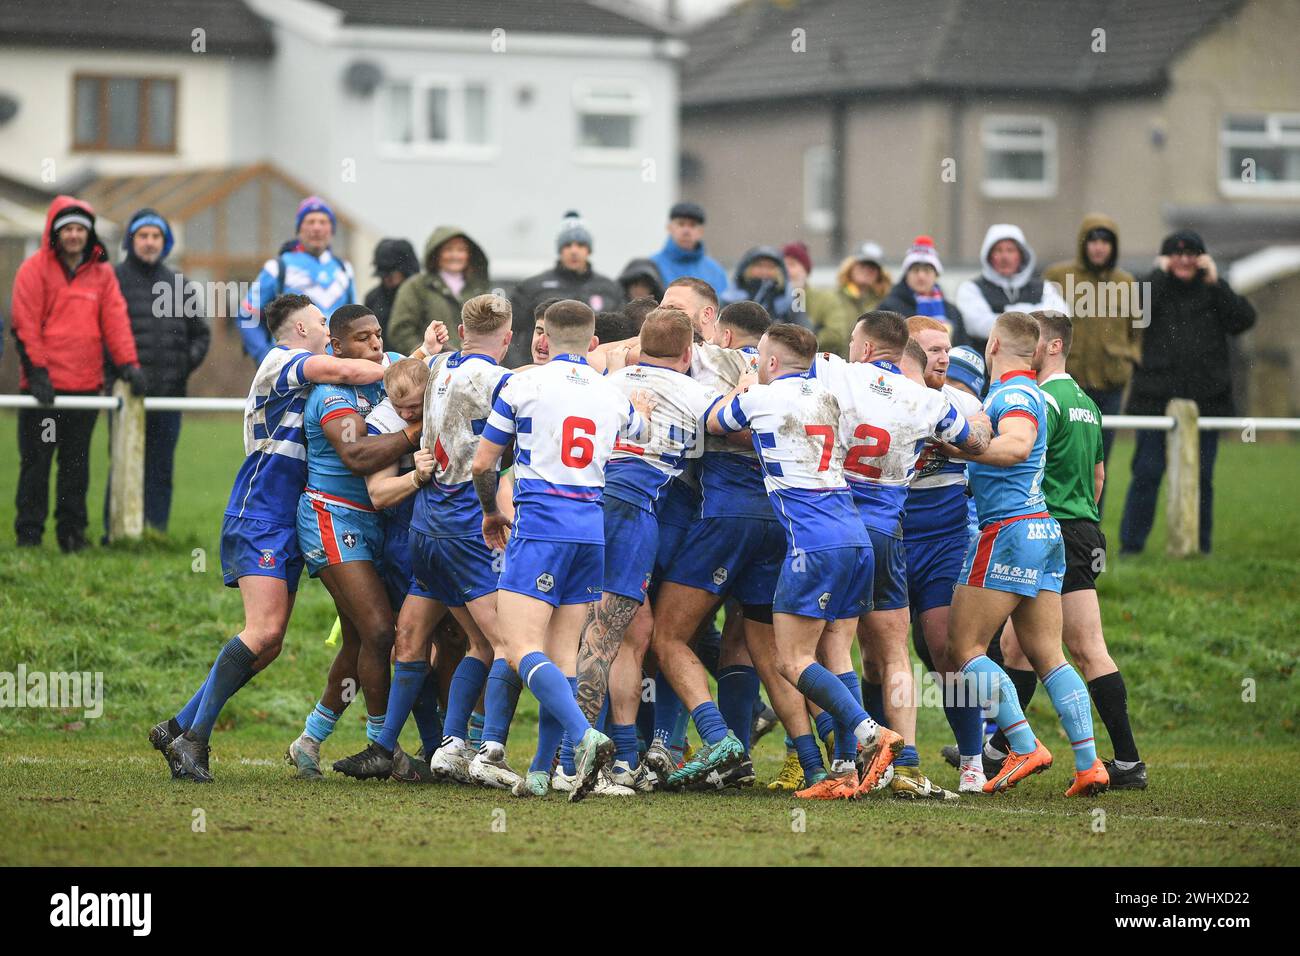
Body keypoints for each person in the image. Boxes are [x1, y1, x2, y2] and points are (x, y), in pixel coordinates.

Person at [150, 294, 414, 782]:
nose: (324, 327)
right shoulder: (282, 360)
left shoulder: (311, 371)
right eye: (319, 322)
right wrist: (405, 367)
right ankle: (194, 741)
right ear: (300, 330)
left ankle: (179, 727)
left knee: (272, 643)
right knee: (266, 631)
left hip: (290, 515)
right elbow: (355, 373)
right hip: (261, 512)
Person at [707, 322, 904, 800]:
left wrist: (743, 382)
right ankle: (844, 772)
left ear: (770, 363)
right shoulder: (829, 397)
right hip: (855, 536)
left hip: (813, 542)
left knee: (792, 661)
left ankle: (870, 733)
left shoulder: (762, 396)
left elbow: (714, 422)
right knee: (834, 655)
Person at [470, 299, 652, 802]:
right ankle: (539, 770)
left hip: (541, 527)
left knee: (522, 647)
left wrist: (491, 512)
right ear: (593, 344)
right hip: (589, 529)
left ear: (543, 338)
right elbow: (641, 429)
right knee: (563, 656)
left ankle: (583, 736)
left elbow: (484, 465)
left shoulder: (521, 384)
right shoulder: (611, 393)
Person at [805, 312, 990, 800]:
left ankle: (948, 758)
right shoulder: (929, 402)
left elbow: (981, 440)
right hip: (890, 533)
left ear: (865, 347)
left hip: (922, 537)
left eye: (947, 349)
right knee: (877, 655)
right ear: (905, 350)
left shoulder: (950, 398)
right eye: (931, 349)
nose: (943, 357)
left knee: (932, 648)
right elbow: (977, 440)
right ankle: (882, 758)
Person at [938, 311, 1108, 798]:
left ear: (993, 344)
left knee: (964, 648)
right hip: (1043, 532)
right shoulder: (1030, 393)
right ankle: (1089, 763)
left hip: (1009, 531)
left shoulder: (1013, 395)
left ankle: (1023, 743)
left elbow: (1015, 446)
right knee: (1047, 653)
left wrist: (959, 449)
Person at [573, 307, 725, 793]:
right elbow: (736, 425)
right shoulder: (700, 393)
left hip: (582, 501)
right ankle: (573, 758)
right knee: (605, 633)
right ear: (687, 354)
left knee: (629, 633)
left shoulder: (606, 383)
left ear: (637, 345)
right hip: (631, 511)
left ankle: (622, 760)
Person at [995, 311, 1145, 789]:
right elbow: (1099, 475)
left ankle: (1125, 760)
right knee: (1018, 645)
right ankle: (1002, 748)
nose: (1026, 350)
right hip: (1083, 527)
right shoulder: (1087, 402)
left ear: (1054, 346)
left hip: (1050, 528)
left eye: (1034, 342)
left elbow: (1024, 463)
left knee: (1080, 647)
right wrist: (1084, 524)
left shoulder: (1041, 399)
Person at [284, 305, 419, 779]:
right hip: (331, 517)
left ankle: (310, 739)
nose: (376, 344)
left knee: (363, 636)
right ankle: (384, 745)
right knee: (381, 632)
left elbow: (428, 376)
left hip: (375, 524)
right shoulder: (330, 394)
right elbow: (358, 455)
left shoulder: (388, 371)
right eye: (363, 338)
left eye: (378, 334)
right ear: (336, 348)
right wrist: (416, 433)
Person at [11, 195, 144, 552]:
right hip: (43, 391)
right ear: (55, 234)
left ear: (89, 235)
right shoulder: (33, 270)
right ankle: (29, 534)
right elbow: (25, 324)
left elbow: (115, 322)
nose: (73, 236)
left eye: (79, 229)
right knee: (36, 464)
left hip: (85, 389)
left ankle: (72, 534)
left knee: (75, 467)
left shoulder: (102, 275)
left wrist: (129, 364)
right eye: (66, 229)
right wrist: (37, 371)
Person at [1119, 230, 1255, 555]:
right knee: (1147, 473)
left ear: (1202, 259)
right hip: (1154, 400)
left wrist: (1216, 281)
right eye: (1176, 253)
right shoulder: (1153, 289)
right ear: (1165, 258)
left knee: (1202, 477)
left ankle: (1200, 546)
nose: (1184, 259)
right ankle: (1131, 547)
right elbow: (1134, 315)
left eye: (1192, 253)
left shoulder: (1214, 294)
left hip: (1206, 401)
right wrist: (1157, 275)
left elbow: (1244, 319)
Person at [104, 208, 210, 535]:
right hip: (126, 394)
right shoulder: (113, 280)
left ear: (164, 242)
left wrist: (181, 368)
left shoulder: (179, 283)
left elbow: (201, 335)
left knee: (161, 468)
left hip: (169, 395)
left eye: (156, 236)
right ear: (131, 240)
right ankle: (116, 532)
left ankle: (155, 532)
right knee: (123, 464)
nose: (149, 242)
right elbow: (102, 334)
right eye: (143, 236)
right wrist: (121, 372)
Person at [1042, 215, 1140, 490]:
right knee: (1060, 456)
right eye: (1094, 240)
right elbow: (1042, 326)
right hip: (1066, 383)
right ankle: (1058, 521)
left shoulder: (1127, 282)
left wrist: (1128, 357)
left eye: (1106, 241)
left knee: (1099, 461)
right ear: (1083, 244)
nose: (1099, 247)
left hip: (1110, 384)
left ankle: (1092, 525)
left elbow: (1136, 331)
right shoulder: (1058, 277)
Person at [239, 196, 356, 365]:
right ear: (299, 228)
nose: (317, 228)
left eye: (323, 222)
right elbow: (247, 314)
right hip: (292, 365)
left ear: (332, 229)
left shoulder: (344, 269)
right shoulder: (278, 267)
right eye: (310, 221)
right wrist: (264, 355)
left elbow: (354, 319)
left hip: (337, 364)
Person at [506, 212, 624, 367]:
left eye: (580, 245)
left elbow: (622, 334)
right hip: (539, 371)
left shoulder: (610, 289)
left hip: (593, 373)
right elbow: (511, 330)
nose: (574, 251)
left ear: (588, 250)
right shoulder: (533, 287)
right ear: (560, 250)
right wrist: (521, 366)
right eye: (568, 245)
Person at [956, 223, 1067, 355]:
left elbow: (1058, 320)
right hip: (990, 371)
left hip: (1035, 370)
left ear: (1021, 255)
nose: (1004, 256)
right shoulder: (971, 289)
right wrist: (1033, 316)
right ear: (989, 256)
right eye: (998, 250)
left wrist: (1006, 314)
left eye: (1010, 250)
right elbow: (979, 326)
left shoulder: (1044, 287)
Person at [386, 226, 491, 355]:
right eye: (448, 250)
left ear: (469, 255)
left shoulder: (479, 288)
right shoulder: (416, 286)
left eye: (461, 250)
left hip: (474, 365)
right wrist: (427, 354)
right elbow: (401, 330)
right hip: (432, 368)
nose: (455, 255)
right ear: (436, 254)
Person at [878, 236, 967, 345]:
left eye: (927, 270)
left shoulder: (952, 312)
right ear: (907, 274)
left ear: (936, 275)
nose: (921, 276)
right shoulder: (889, 309)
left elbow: (962, 347)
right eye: (915, 270)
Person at [782, 241, 853, 357]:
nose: (787, 271)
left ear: (805, 270)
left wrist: (802, 344)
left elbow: (836, 335)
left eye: (792, 265)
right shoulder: (773, 299)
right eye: (783, 266)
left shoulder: (826, 299)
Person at [647, 201, 729, 295]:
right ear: (669, 228)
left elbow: (722, 306)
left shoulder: (716, 272)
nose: (686, 231)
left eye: (692, 225)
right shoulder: (652, 267)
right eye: (681, 224)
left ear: (701, 231)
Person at [720, 245, 797, 325]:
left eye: (770, 267)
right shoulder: (730, 299)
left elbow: (801, 328)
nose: (764, 271)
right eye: (759, 265)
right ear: (747, 268)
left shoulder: (789, 301)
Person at [363, 238, 420, 340]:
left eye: (391, 274)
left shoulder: (421, 296)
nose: (387, 279)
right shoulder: (372, 299)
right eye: (383, 275)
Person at [836, 242, 892, 317]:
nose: (867, 270)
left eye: (873, 266)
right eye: (863, 264)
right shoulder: (833, 299)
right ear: (850, 267)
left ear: (879, 274)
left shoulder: (886, 303)